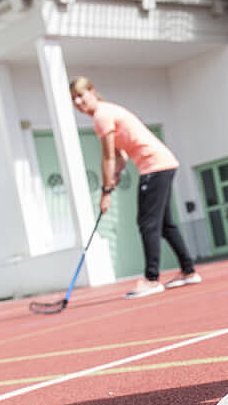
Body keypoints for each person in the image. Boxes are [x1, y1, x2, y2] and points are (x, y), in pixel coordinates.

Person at [69, 77, 200, 298]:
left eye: (81, 95)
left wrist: (106, 193)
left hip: (155, 166)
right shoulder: (106, 112)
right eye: (74, 99)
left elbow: (108, 156)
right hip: (163, 164)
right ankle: (188, 271)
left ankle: (152, 279)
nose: (79, 102)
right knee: (165, 224)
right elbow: (120, 157)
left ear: (92, 91)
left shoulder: (101, 116)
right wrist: (117, 175)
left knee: (147, 223)